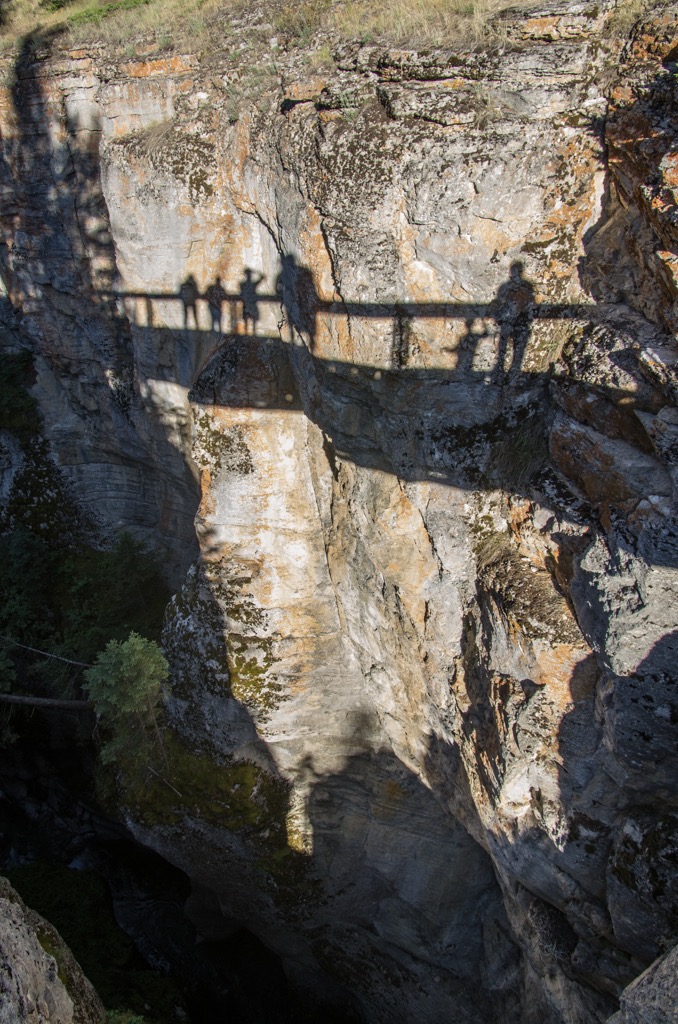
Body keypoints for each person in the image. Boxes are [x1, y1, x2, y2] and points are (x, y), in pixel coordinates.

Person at [492, 261, 536, 379]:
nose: (514, 276)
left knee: (517, 352)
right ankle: (501, 373)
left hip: (520, 323)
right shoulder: (507, 289)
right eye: (513, 274)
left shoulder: (526, 289)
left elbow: (531, 307)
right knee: (503, 350)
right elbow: (501, 304)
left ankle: (512, 376)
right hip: (509, 323)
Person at [239, 268, 264, 335]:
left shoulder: (247, 284)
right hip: (247, 304)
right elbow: (262, 278)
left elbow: (262, 278)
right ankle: (247, 333)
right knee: (247, 319)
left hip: (250, 304)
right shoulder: (244, 284)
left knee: (252, 319)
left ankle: (253, 332)